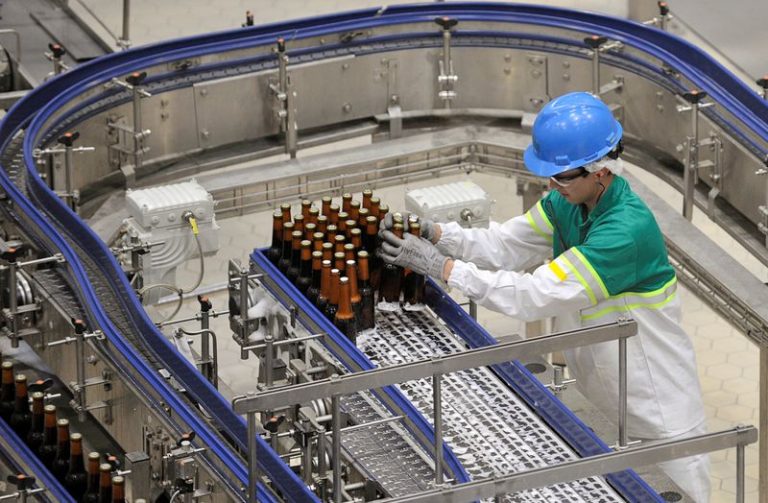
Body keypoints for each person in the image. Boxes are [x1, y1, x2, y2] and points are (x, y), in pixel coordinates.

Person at [379, 91, 709, 501]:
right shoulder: (567, 202)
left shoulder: (625, 231)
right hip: (605, 405)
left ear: (600, 170)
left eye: (562, 176)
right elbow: (506, 245)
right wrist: (439, 235)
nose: (551, 185)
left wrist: (444, 269)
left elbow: (533, 295)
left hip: (660, 418)